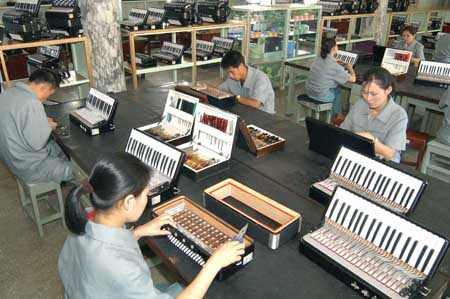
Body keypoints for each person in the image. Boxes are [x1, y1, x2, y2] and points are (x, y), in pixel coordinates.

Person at [58, 152, 245, 299]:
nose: (147, 199)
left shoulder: (84, 220)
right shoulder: (122, 268)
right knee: (189, 287)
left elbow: (102, 248)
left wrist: (138, 232)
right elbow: (114, 262)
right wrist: (214, 263)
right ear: (128, 202)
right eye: (146, 194)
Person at [0, 69, 73, 183]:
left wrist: (42, 123)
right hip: (30, 168)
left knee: (58, 148)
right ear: (44, 88)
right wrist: (48, 127)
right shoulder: (32, 103)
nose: (45, 99)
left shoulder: (7, 93)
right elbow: (37, 144)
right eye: (49, 94)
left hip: (11, 159)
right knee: (80, 172)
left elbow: (18, 122)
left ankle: (60, 175)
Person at [340, 67, 408, 163]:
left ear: (388, 90)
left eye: (374, 94)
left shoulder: (398, 115)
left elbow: (390, 155)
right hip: (356, 157)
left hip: (382, 164)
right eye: (364, 92)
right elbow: (343, 131)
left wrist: (372, 141)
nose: (368, 98)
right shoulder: (360, 104)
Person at [305, 38, 356, 117]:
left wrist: (335, 62)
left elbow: (326, 68)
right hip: (321, 96)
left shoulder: (318, 58)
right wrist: (350, 68)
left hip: (310, 91)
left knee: (334, 87)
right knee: (337, 90)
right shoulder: (334, 66)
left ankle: (337, 114)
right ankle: (336, 116)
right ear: (333, 49)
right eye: (337, 46)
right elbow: (353, 79)